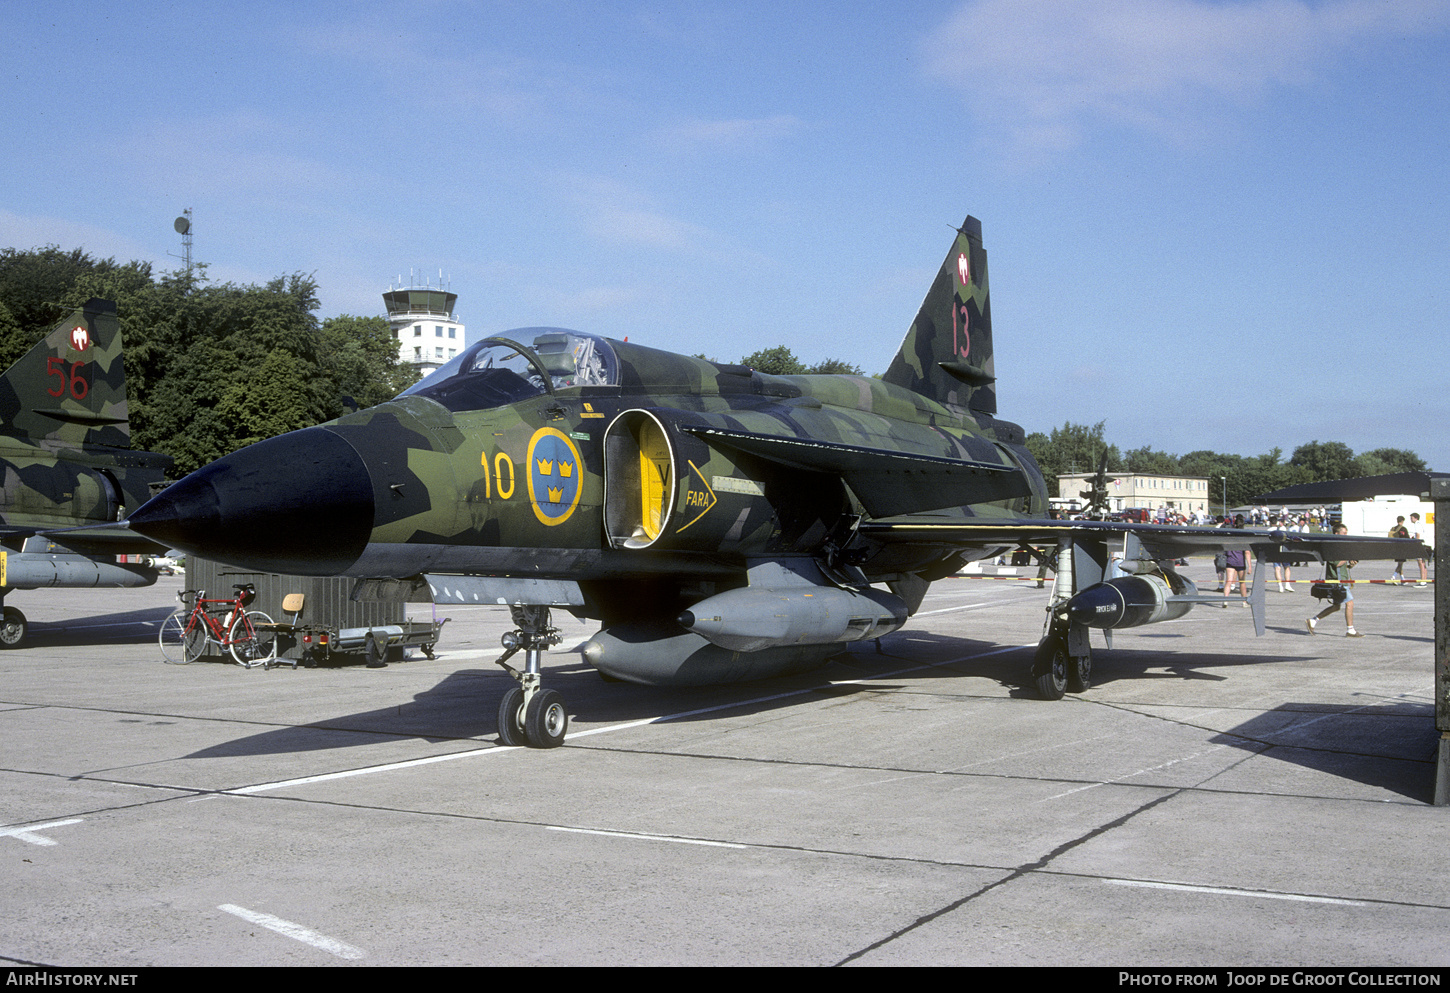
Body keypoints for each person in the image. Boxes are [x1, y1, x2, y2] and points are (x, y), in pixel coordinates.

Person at [1308, 525, 1361, 636]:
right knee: (1350, 604)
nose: (1346, 535)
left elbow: (1343, 565)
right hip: (1337, 582)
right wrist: (1348, 557)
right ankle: (1350, 630)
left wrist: (1351, 564)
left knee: (1336, 607)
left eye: (1346, 533)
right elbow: (1336, 563)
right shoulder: (1332, 548)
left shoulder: (1341, 548)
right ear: (1336, 534)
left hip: (1342, 580)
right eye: (1344, 533)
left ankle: (1313, 621)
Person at [1387, 516, 1411, 585]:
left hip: (1395, 548)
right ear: (1402, 521)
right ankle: (1393, 577)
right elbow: (1407, 538)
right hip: (1402, 548)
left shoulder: (1393, 528)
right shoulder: (1403, 529)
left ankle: (1403, 579)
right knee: (1400, 563)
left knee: (1400, 563)